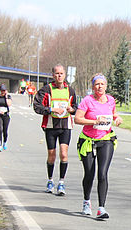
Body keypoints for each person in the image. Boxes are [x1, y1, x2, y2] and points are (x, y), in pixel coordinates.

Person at [74, 74, 122, 219]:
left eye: (102, 84)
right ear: (93, 86)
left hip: (106, 139)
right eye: (97, 84)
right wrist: (94, 121)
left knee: (102, 173)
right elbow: (77, 119)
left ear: (106, 86)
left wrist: (117, 118)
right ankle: (86, 202)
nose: (100, 87)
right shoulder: (87, 101)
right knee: (89, 174)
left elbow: (113, 114)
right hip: (88, 141)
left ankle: (101, 208)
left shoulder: (111, 100)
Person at [33, 65, 78, 195]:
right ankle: (50, 180)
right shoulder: (46, 90)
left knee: (64, 154)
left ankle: (62, 183)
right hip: (51, 126)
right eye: (57, 73)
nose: (59, 76)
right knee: (51, 156)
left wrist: (72, 109)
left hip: (65, 126)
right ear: (53, 75)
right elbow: (37, 107)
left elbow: (75, 106)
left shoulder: (70, 90)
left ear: (65, 75)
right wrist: (51, 110)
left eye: (61, 73)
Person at [0, 84, 12, 152]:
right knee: (0, 129)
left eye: (4, 91)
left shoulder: (8, 97)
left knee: (5, 130)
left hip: (6, 115)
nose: (2, 92)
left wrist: (6, 97)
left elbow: (9, 104)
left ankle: (5, 142)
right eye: (1, 91)